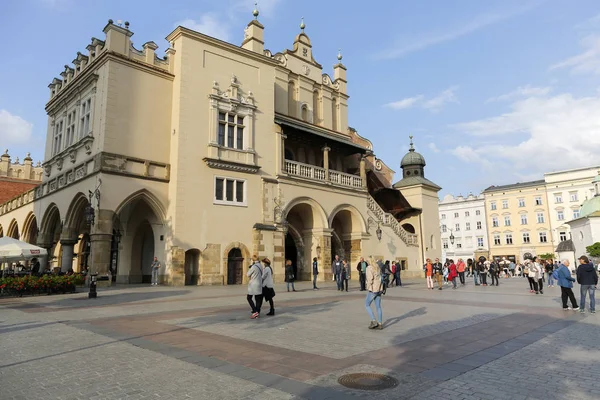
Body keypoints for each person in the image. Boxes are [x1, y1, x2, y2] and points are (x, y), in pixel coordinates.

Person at [365, 259, 384, 330]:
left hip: (373, 289)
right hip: (379, 288)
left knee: (367, 304)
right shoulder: (378, 267)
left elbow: (370, 279)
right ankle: (380, 323)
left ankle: (373, 320)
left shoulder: (369, 268)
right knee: (378, 306)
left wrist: (367, 287)